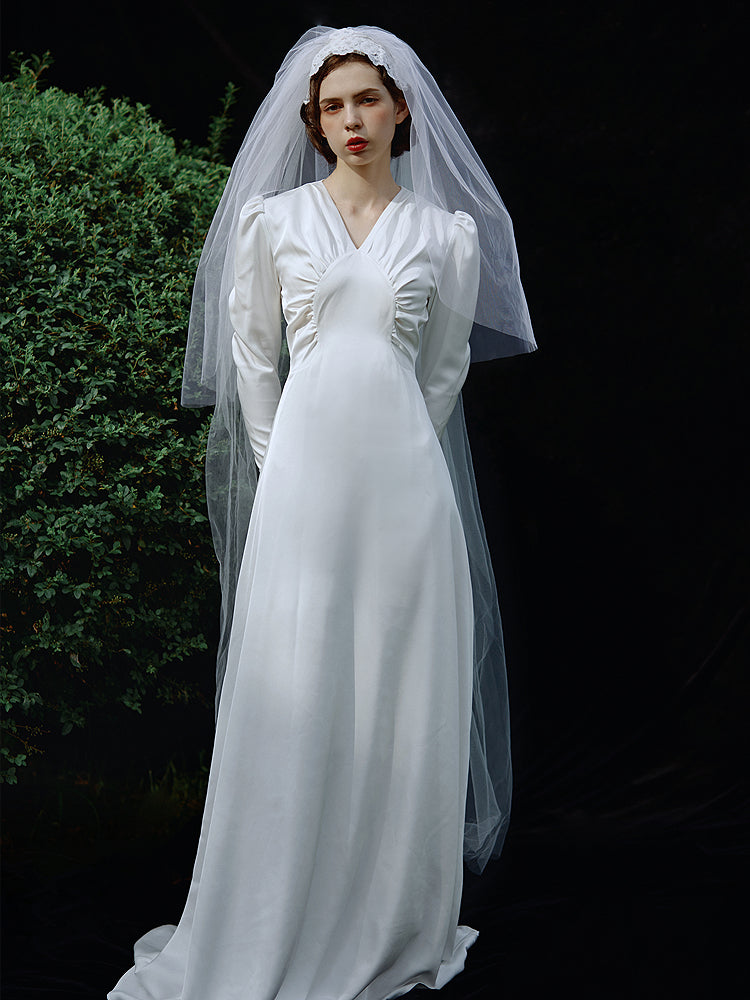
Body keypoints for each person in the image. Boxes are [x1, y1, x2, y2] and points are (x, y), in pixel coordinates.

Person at [109, 25, 535, 1000]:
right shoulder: (274, 222)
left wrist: (391, 456)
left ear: (400, 110)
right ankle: (279, 909)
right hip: (302, 486)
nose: (351, 120)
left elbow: (443, 374)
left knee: (400, 691)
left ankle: (388, 916)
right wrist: (289, 465)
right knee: (297, 685)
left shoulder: (448, 236)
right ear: (313, 120)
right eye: (333, 105)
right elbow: (252, 359)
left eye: (367, 100)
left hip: (407, 494)